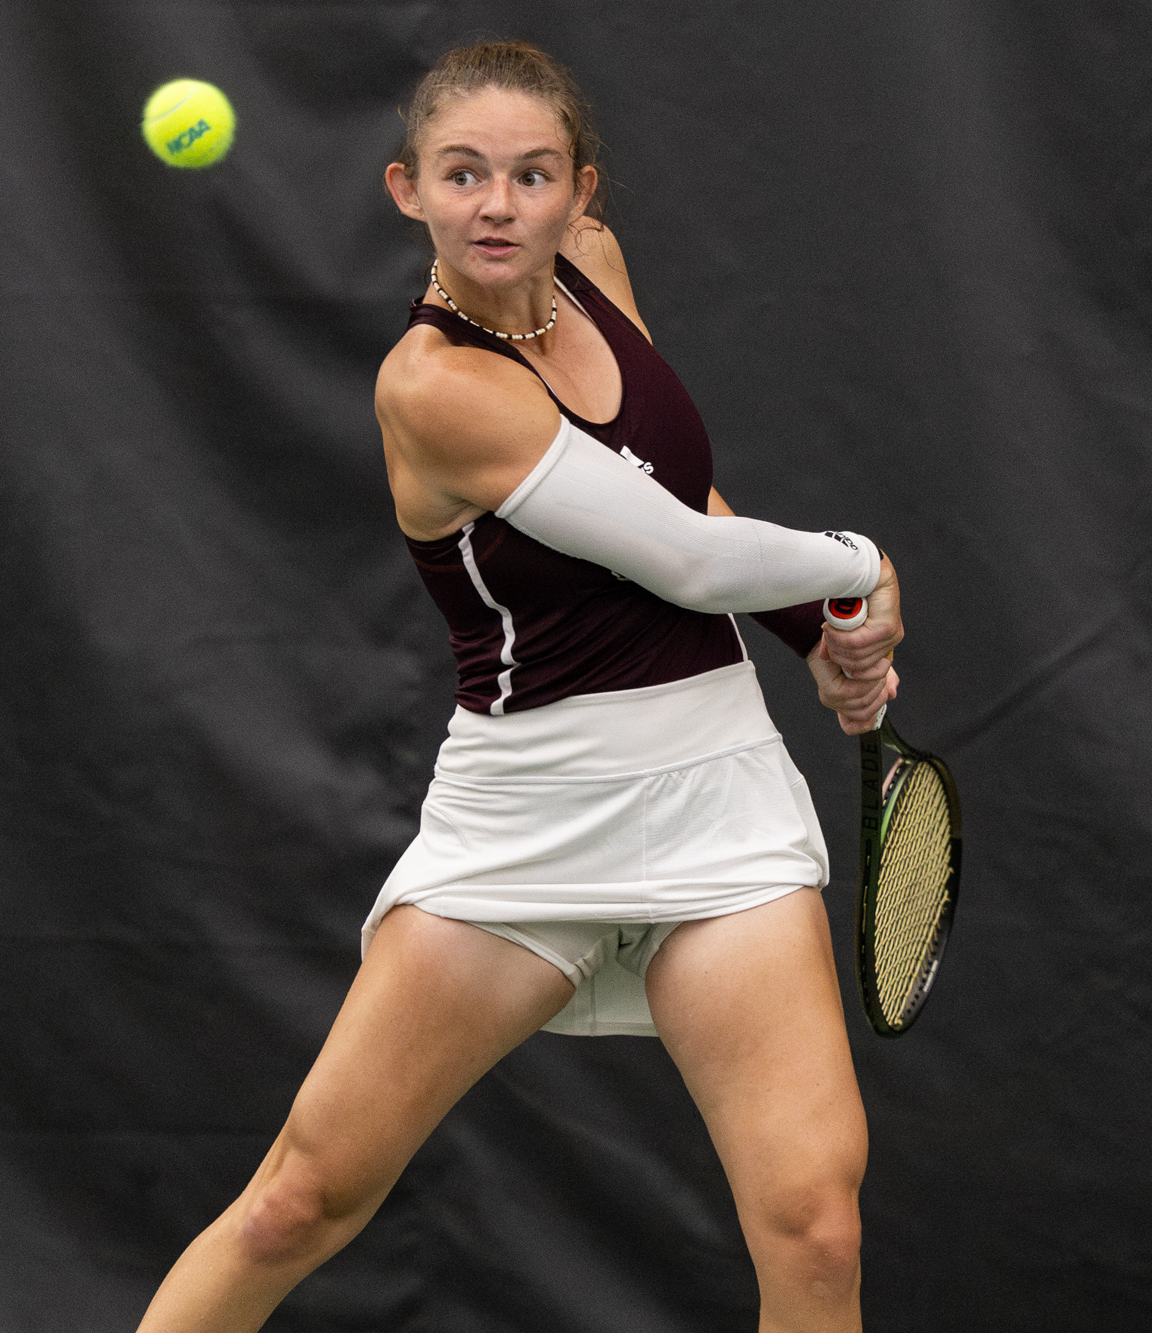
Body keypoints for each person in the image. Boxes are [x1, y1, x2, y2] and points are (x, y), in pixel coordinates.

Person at [135, 40, 903, 1333]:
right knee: (298, 1202)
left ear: (578, 192)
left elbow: (677, 505)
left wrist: (810, 632)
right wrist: (860, 566)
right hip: (527, 819)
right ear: (407, 191)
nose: (498, 203)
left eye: (531, 174)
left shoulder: (595, 275)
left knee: (817, 1225)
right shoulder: (433, 387)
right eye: (464, 173)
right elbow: (684, 553)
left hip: (718, 797)